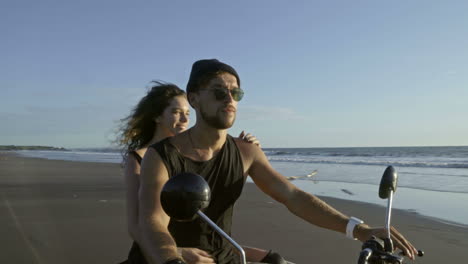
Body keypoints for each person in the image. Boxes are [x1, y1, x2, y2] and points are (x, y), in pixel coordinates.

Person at [137, 59, 419, 264]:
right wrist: (172, 257)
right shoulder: (161, 155)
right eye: (220, 92)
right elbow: (153, 222)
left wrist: (358, 229)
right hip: (169, 257)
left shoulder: (246, 152)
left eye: (236, 93)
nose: (230, 100)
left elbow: (291, 195)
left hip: (225, 255)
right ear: (195, 98)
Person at [117, 81, 282, 264]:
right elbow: (135, 225)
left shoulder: (198, 156)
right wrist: (177, 252)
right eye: (176, 112)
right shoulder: (140, 158)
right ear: (157, 117)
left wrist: (245, 153)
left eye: (187, 113)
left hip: (206, 251)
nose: (185, 120)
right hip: (159, 254)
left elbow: (205, 227)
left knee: (275, 259)